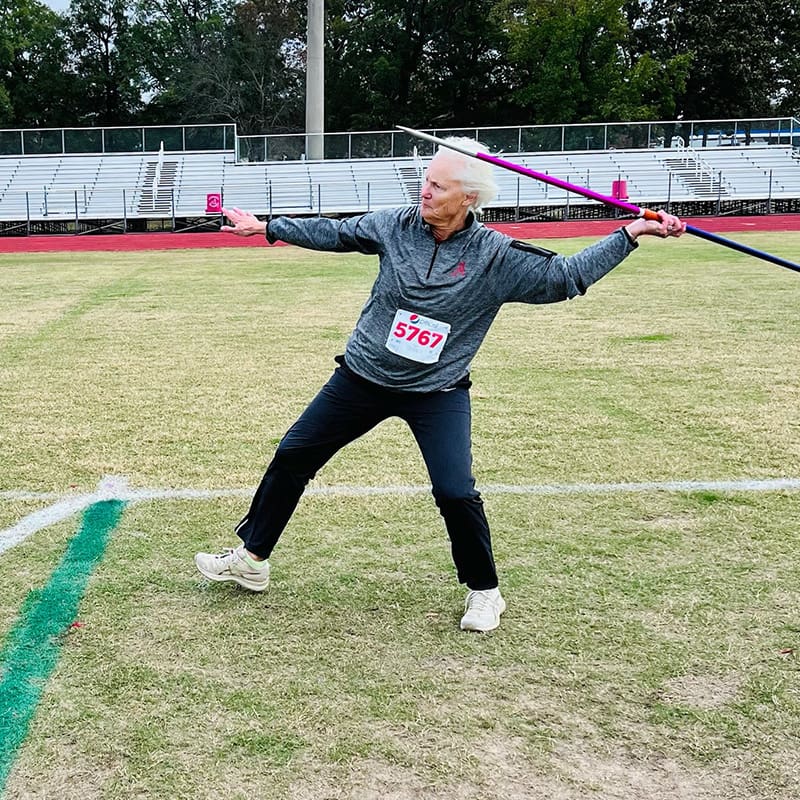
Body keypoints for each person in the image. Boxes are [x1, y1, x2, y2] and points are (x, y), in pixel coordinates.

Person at [195, 138, 686, 632]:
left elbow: (564, 278)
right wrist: (269, 228)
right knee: (294, 455)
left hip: (438, 391)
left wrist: (632, 231)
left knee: (454, 491)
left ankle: (484, 592)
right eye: (426, 180)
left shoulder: (496, 256)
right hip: (363, 377)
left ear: (467, 197)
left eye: (437, 185)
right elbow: (337, 231)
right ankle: (252, 560)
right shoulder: (395, 226)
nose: (423, 191)